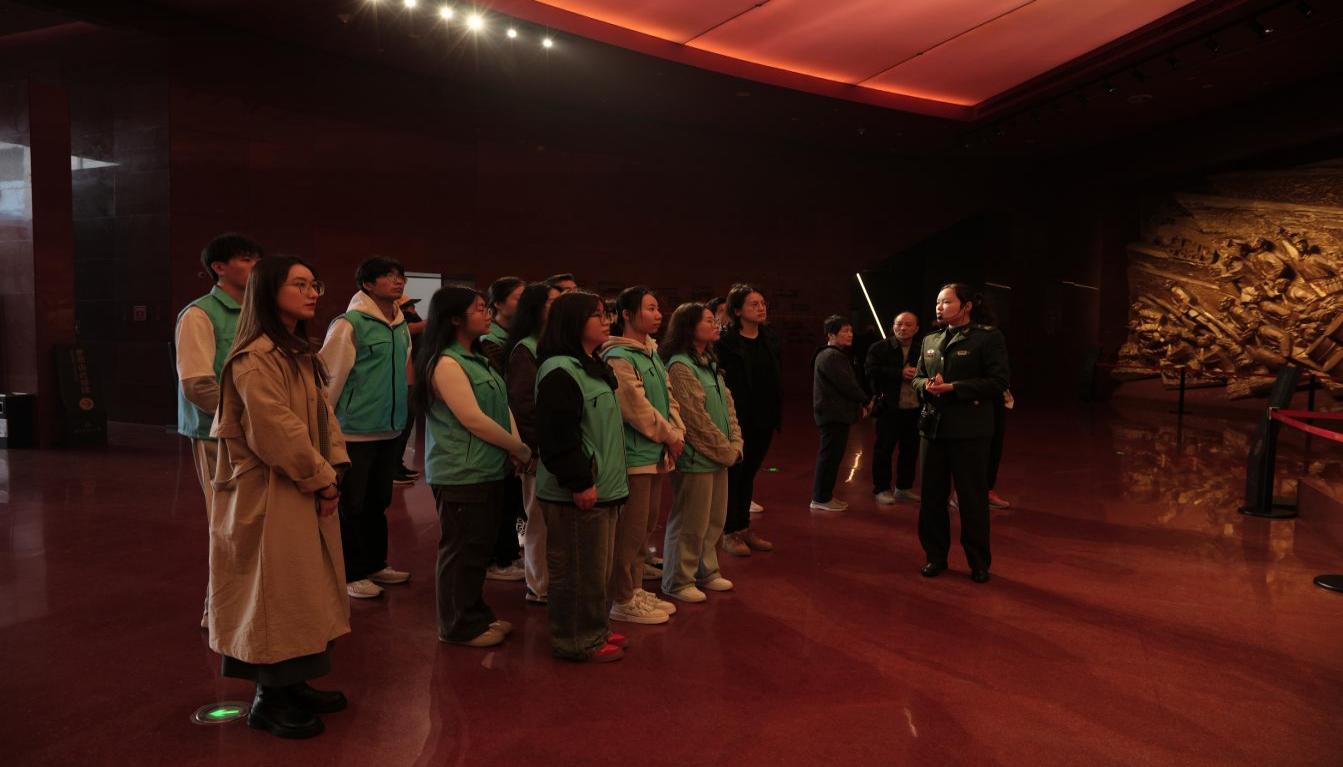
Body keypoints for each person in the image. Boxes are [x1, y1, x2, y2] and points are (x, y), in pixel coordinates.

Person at [208, 255, 350, 740]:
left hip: (301, 483)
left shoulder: (297, 351)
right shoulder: (255, 357)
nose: (312, 293)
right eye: (300, 285)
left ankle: (294, 683)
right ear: (270, 292)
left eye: (314, 284)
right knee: (274, 592)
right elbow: (276, 432)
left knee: (303, 588)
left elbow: (323, 417)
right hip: (269, 492)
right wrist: (322, 478)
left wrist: (333, 470)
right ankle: (268, 698)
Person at [413, 286, 531, 648]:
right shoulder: (446, 363)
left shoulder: (478, 357)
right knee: (461, 551)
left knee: (477, 550)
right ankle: (456, 625)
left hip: (487, 467)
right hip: (460, 471)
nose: (486, 314)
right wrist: (518, 448)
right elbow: (472, 419)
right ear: (454, 318)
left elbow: (502, 406)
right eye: (479, 309)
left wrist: (514, 445)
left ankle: (475, 614)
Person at [535, 290, 630, 662]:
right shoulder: (560, 370)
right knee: (576, 570)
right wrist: (580, 481)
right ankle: (576, 639)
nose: (607, 321)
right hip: (578, 489)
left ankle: (595, 627)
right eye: (597, 315)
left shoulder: (589, 363)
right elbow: (557, 436)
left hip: (603, 485)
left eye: (606, 314)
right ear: (573, 322)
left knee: (595, 570)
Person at [175, 232, 261, 628]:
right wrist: (244, 420)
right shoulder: (200, 314)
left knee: (252, 522)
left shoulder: (258, 311)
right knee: (225, 522)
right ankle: (218, 607)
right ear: (219, 268)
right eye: (246, 259)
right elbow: (197, 385)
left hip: (258, 433)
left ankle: (249, 602)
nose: (255, 265)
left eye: (256, 258)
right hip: (218, 434)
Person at [319, 257, 413, 600]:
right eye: (388, 276)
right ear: (368, 285)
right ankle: (351, 573)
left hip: (389, 429)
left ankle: (375, 563)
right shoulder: (350, 324)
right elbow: (329, 379)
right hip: (354, 431)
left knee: (378, 501)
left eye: (400, 275)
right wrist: (327, 428)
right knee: (352, 504)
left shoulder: (400, 324)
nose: (398, 281)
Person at [912, 283, 1010, 584]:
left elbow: (998, 382)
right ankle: (935, 556)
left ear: (966, 306)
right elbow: (917, 377)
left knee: (972, 499)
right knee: (931, 497)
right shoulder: (930, 339)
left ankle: (978, 562)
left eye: (946, 302)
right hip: (933, 429)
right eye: (937, 302)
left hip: (970, 430)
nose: (939, 307)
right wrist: (926, 386)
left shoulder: (988, 337)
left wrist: (954, 388)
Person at [601, 286, 684, 624]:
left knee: (646, 526)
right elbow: (635, 409)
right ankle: (621, 598)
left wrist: (677, 431)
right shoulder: (618, 356)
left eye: (658, 308)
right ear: (626, 314)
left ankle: (635, 588)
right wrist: (669, 435)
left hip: (656, 453)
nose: (658, 314)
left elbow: (668, 395)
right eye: (650, 308)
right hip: (635, 456)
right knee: (629, 531)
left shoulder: (650, 352)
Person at [661, 303, 742, 603]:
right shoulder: (681, 366)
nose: (716, 324)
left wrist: (735, 443)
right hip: (697, 457)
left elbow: (728, 406)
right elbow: (694, 420)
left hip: (719, 455)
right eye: (709, 320)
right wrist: (724, 450)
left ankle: (706, 570)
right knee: (690, 522)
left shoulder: (708, 361)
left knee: (713, 519)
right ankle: (678, 580)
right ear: (689, 327)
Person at [505, 281, 563, 604]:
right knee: (537, 518)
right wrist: (537, 449)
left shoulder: (551, 344)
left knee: (554, 520)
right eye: (552, 302)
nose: (558, 307)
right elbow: (524, 405)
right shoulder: (525, 349)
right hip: (539, 451)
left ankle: (552, 579)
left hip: (555, 447)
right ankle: (539, 585)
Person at [716, 283, 779, 555]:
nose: (761, 308)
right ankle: (729, 531)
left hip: (763, 417)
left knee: (749, 474)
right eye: (754, 304)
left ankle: (743, 527)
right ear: (737, 310)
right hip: (736, 418)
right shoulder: (725, 343)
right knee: (734, 475)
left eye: (763, 303)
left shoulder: (769, 339)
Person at [479, 276, 529, 582]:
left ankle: (509, 552)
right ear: (497, 303)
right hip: (504, 425)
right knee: (503, 495)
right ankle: (499, 557)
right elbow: (507, 387)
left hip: (517, 426)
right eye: (517, 298)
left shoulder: (517, 335)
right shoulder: (490, 341)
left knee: (513, 496)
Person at [810, 315, 871, 512]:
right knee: (829, 457)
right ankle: (820, 498)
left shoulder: (832, 354)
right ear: (831, 334)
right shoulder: (832, 356)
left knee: (832, 456)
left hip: (834, 413)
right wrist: (865, 400)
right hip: (833, 414)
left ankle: (824, 496)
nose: (850, 334)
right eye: (845, 331)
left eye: (851, 330)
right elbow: (847, 385)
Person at [866, 312, 922, 504]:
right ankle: (881, 488)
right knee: (884, 449)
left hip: (914, 407)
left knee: (910, 450)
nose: (902, 328)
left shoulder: (921, 349)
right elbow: (870, 371)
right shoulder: (880, 347)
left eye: (908, 324)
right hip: (888, 407)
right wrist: (899, 373)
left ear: (916, 328)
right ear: (893, 326)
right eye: (899, 324)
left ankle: (903, 488)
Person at [392, 294, 426, 486]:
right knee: (401, 426)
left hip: (412, 380)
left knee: (406, 426)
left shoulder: (410, 321)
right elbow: (409, 329)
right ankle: (393, 467)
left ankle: (397, 463)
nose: (413, 309)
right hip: (403, 382)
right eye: (409, 306)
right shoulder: (399, 325)